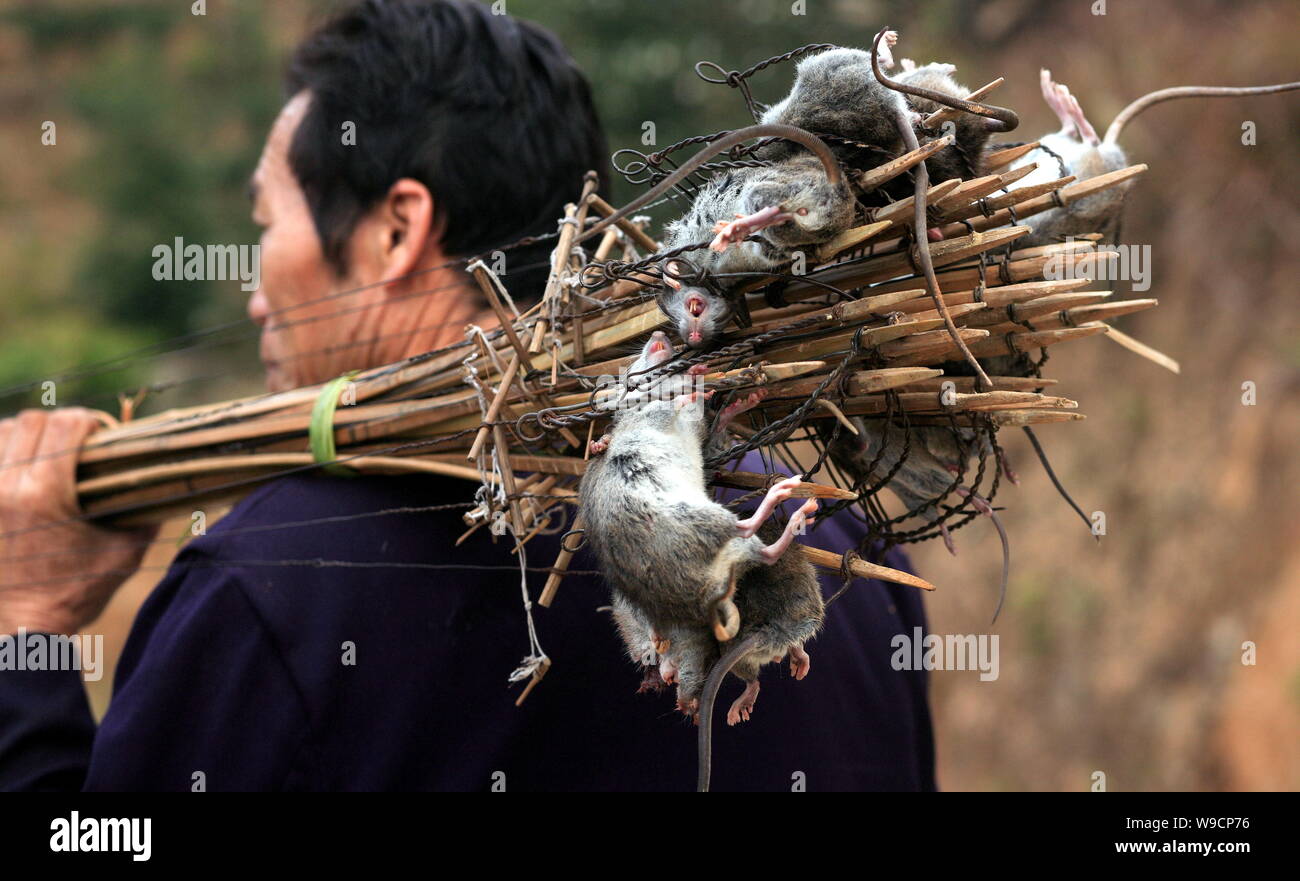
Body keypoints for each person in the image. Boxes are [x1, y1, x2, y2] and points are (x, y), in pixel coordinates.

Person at [0, 0, 934, 791]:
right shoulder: (845, 553)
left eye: (263, 222)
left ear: (398, 227)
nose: (252, 291)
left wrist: (25, 637)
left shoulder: (268, 592)